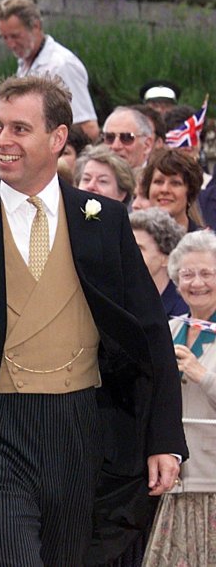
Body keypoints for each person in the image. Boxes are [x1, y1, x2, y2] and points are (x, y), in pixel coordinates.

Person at [0, 75, 187, 566]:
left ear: (58, 138)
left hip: (80, 427)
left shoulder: (104, 220)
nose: (2, 141)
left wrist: (165, 438)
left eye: (19, 129)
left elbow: (148, 333)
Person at [143, 230, 216, 565]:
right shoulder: (168, 329)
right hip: (176, 486)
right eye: (187, 274)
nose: (196, 283)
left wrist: (202, 375)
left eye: (206, 273)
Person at [0, 0, 99, 140]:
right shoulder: (25, 63)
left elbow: (88, 128)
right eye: (5, 37)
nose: (10, 44)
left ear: (36, 26)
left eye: (15, 36)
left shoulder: (62, 65)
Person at [130, 208, 188, 318]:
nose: (128, 253)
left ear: (166, 258)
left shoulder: (184, 307)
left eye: (138, 248)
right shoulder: (119, 297)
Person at [142, 147, 205, 232]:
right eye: (158, 182)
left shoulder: (205, 243)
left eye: (175, 183)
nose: (165, 189)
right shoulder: (129, 238)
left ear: (190, 191)